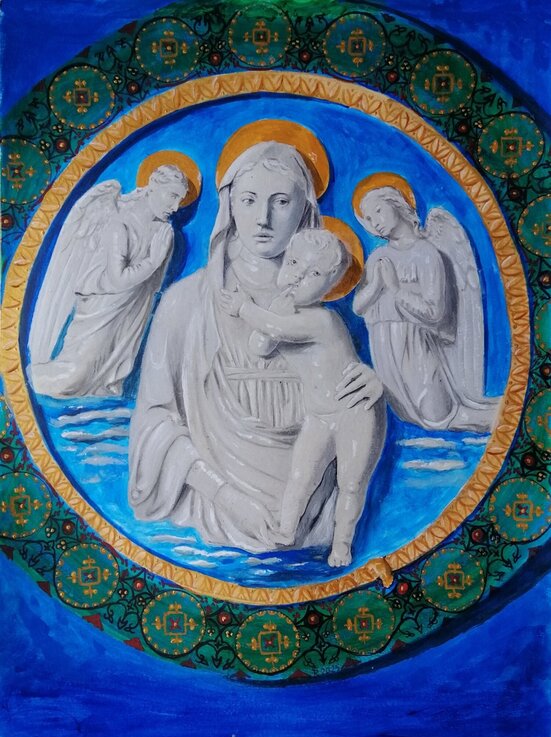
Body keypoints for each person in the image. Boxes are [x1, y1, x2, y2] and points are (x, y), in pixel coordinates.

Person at [128, 135, 384, 553]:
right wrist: (226, 496)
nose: (263, 219)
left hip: (318, 514)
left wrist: (371, 389)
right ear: (230, 204)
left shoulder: (325, 311)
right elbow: (153, 424)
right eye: (248, 200)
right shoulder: (185, 303)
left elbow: (343, 379)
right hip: (219, 515)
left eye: (281, 202)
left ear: (305, 209)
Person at [220, 228, 385, 566]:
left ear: (330, 286)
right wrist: (274, 310)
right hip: (319, 416)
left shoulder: (323, 320)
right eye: (294, 263)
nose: (298, 276)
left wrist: (245, 309)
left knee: (351, 483)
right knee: (300, 477)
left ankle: (342, 544)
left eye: (314, 274)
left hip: (355, 411)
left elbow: (277, 330)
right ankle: (286, 530)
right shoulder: (281, 312)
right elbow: (260, 346)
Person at [29, 165, 189, 398]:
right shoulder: (120, 223)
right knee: (73, 378)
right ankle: (22, 377)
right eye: (172, 196)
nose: (175, 207)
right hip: (102, 308)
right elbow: (118, 279)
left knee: (105, 387)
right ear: (154, 185)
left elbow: (154, 286)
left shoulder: (164, 232)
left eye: (180, 200)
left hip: (131, 314)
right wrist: (153, 261)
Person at [353, 179, 499, 432]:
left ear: (398, 205)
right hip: (385, 351)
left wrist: (396, 290)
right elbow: (358, 307)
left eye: (378, 211)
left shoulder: (426, 253)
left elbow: (435, 312)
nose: (375, 222)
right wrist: (376, 285)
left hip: (416, 348)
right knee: (413, 416)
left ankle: (507, 414)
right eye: (369, 218)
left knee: (439, 417)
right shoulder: (378, 257)